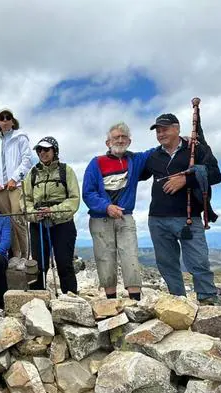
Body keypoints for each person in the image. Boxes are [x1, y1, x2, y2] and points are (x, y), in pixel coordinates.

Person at [140, 113, 221, 305]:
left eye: (165, 129)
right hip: (157, 219)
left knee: (198, 262)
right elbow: (135, 174)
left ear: (177, 128)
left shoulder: (195, 149)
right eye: (158, 131)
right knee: (167, 264)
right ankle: (178, 303)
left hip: (188, 218)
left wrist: (186, 179)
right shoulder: (153, 156)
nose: (161, 133)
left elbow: (216, 175)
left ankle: (208, 300)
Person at [82, 122, 156, 301]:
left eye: (124, 137)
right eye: (116, 137)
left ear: (129, 141)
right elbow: (88, 192)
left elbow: (156, 151)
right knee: (104, 258)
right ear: (108, 142)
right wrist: (106, 207)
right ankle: (111, 302)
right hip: (101, 218)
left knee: (130, 256)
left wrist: (181, 140)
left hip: (125, 217)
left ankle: (135, 302)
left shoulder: (135, 160)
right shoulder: (96, 162)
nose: (120, 140)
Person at [22, 137, 80, 294]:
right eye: (39, 150)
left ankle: (71, 299)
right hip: (38, 223)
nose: (42, 152)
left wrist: (53, 211)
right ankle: (37, 300)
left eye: (46, 149)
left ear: (55, 151)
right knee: (38, 265)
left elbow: (74, 199)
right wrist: (34, 215)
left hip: (63, 223)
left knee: (64, 262)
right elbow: (25, 200)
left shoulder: (66, 171)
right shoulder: (32, 174)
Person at [0, 108, 32, 259]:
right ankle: (16, 254)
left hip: (16, 185)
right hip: (0, 188)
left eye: (8, 118)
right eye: (2, 118)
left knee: (18, 219)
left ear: (13, 121)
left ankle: (26, 255)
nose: (5, 121)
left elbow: (27, 161)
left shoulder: (21, 137)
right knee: (7, 222)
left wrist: (15, 178)